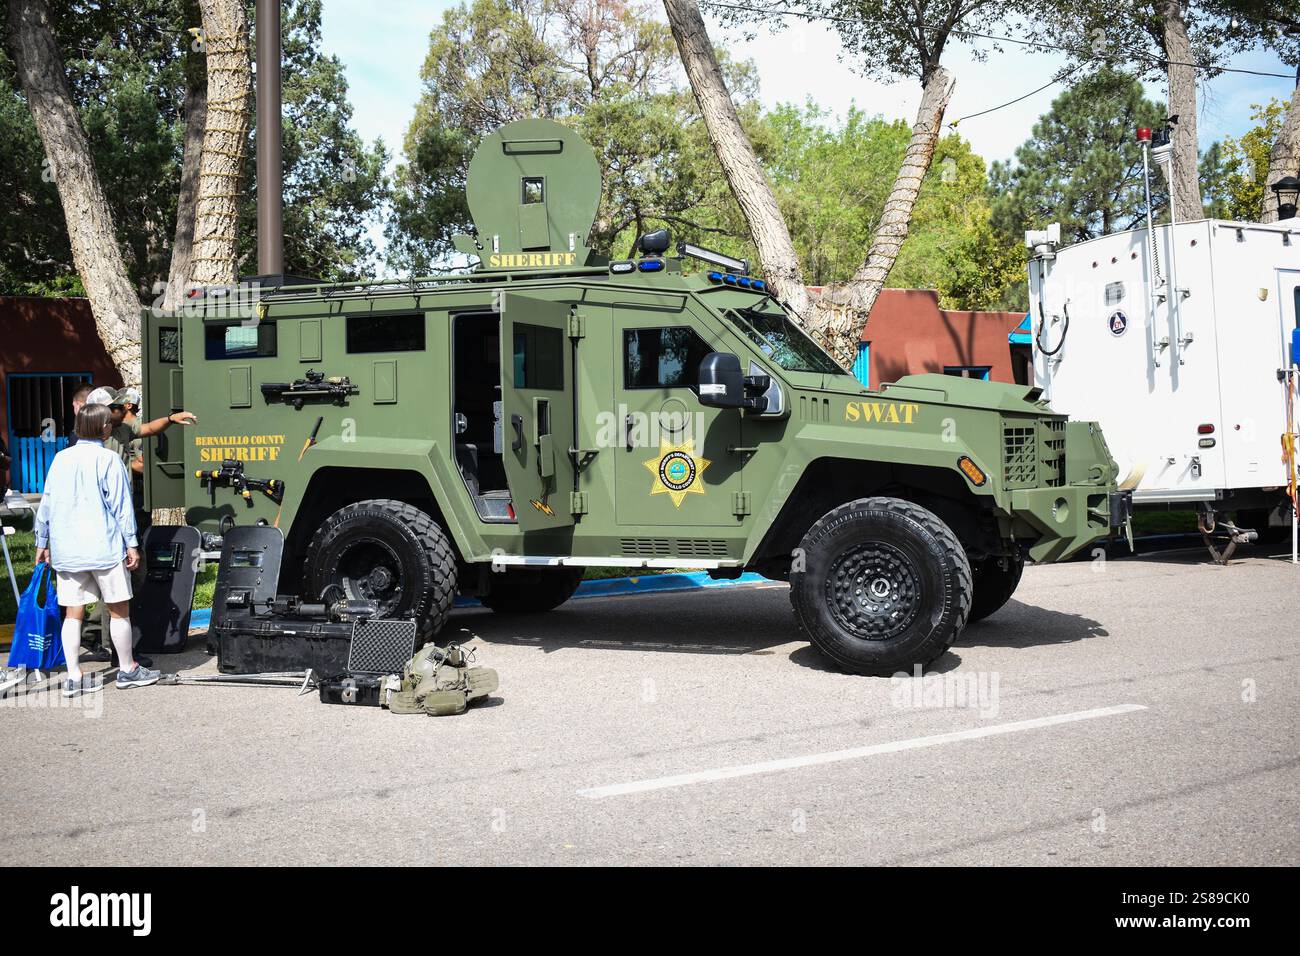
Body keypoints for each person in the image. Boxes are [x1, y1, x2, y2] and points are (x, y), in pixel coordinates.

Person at [34, 404, 160, 697]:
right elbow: (121, 506)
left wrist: (42, 542)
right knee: (119, 610)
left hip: (67, 550)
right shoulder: (110, 460)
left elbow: (47, 504)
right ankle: (128, 669)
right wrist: (132, 543)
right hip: (104, 547)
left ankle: (74, 676)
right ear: (103, 427)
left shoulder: (60, 460)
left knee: (73, 613)